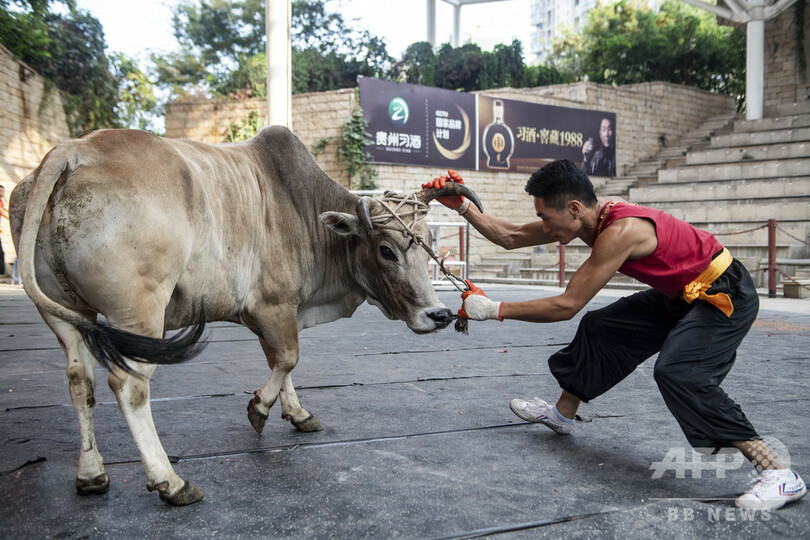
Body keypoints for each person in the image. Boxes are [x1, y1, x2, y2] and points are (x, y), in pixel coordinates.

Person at [422, 161, 806, 511]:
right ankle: (562, 415)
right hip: (680, 294)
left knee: (680, 373)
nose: (545, 227)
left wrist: (493, 309)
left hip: (724, 294)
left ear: (574, 208)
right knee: (601, 326)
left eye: (546, 218)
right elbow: (509, 235)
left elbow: (566, 305)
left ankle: (778, 472)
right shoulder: (590, 218)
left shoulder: (620, 231)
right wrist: (462, 206)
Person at [0, 185, 8, 277]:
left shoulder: (1, 202)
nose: (2, 193)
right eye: (0, 191)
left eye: (3, 191)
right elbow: (2, 212)